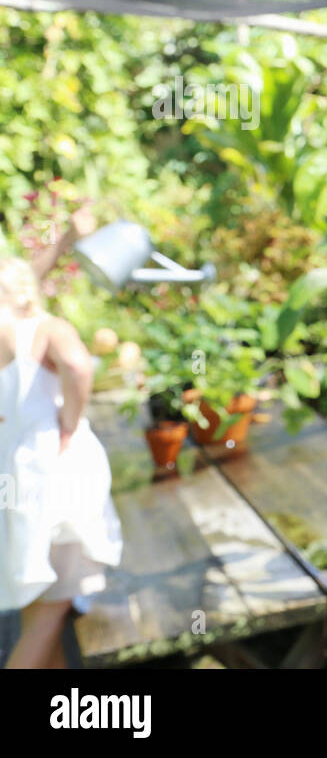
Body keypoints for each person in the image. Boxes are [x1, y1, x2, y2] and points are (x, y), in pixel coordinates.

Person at [0, 257, 122, 668]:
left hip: (9, 479)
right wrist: (69, 421)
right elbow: (77, 365)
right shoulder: (47, 329)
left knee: (39, 605)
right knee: (51, 613)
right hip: (52, 475)